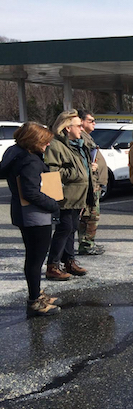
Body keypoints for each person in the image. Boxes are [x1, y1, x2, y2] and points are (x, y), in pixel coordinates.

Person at [0, 122, 61, 316]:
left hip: (22, 213)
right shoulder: (30, 161)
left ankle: (36, 293)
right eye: (44, 142)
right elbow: (32, 193)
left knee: (33, 258)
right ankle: (35, 301)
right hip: (36, 216)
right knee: (35, 260)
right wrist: (54, 204)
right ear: (33, 141)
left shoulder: (13, 152)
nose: (47, 145)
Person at [45, 109, 95, 280]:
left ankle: (69, 261)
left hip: (78, 196)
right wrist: (75, 173)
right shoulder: (56, 145)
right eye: (78, 126)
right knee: (64, 228)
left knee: (72, 228)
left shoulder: (78, 145)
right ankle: (53, 265)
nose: (81, 128)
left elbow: (83, 167)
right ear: (67, 128)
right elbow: (51, 172)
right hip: (65, 196)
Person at [77, 109, 108, 255]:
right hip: (90, 185)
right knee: (89, 216)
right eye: (91, 120)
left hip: (95, 184)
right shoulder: (81, 139)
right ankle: (86, 245)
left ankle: (89, 243)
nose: (94, 123)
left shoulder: (87, 137)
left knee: (91, 216)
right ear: (81, 122)